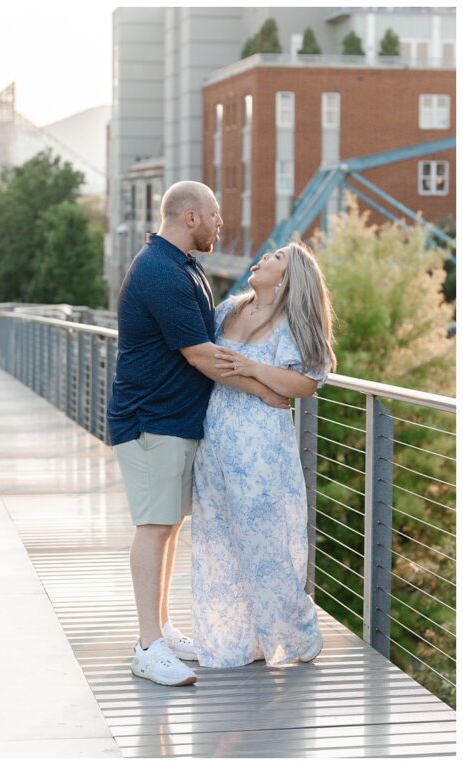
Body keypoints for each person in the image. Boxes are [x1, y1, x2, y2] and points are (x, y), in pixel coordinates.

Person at [106, 180, 289, 687]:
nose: (219, 225)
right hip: (150, 420)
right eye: (215, 216)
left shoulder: (183, 266)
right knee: (153, 525)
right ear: (191, 218)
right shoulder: (162, 272)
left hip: (176, 420)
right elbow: (201, 354)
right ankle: (147, 647)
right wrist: (262, 388)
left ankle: (161, 626)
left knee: (168, 525)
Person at [192, 241, 335, 668]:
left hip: (260, 445)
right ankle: (236, 641)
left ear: (291, 277)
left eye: (277, 258)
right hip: (214, 439)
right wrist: (255, 379)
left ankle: (298, 634)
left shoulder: (293, 321)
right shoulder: (228, 310)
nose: (264, 258)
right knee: (218, 540)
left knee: (264, 540)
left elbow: (307, 383)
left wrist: (254, 369)